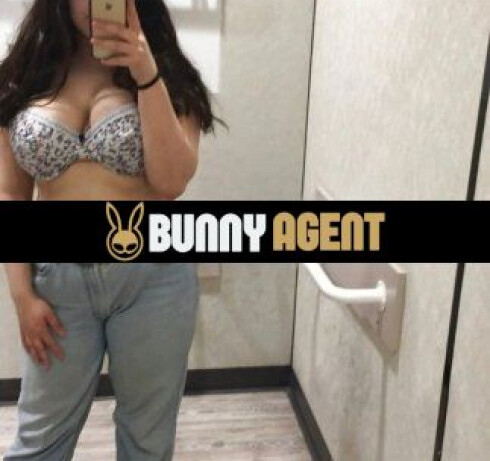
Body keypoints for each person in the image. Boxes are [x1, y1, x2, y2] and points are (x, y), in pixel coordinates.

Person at [0, 0, 227, 459]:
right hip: (57, 281)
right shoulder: (26, 73)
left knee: (147, 436)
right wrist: (22, 295)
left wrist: (146, 72)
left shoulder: (170, 75)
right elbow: (10, 193)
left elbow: (170, 182)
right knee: (39, 439)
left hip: (154, 278)